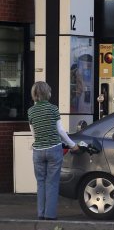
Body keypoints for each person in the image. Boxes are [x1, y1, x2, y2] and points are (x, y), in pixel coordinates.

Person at [28, 81, 79, 220]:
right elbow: (61, 131)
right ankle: (49, 215)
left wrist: (38, 143)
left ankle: (40, 213)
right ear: (47, 93)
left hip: (38, 151)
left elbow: (33, 133)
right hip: (53, 149)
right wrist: (72, 145)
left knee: (40, 182)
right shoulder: (53, 109)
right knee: (52, 182)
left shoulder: (31, 111)